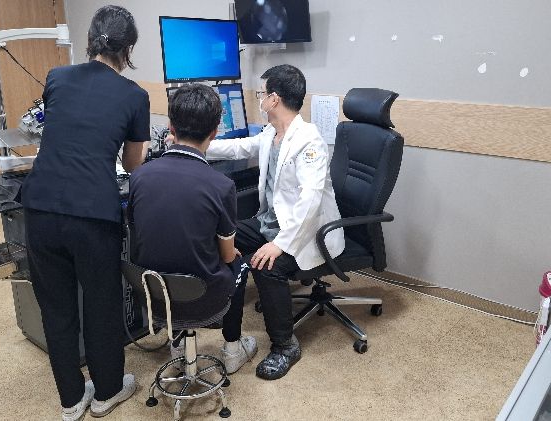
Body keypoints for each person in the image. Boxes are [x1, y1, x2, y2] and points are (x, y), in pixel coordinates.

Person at [21, 6, 147, 420]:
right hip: (93, 213)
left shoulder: (57, 77)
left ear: (91, 40)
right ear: (128, 49)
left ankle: (72, 400)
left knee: (56, 308)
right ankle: (107, 391)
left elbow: (56, 127)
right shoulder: (135, 95)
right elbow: (133, 165)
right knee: (100, 304)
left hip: (40, 207)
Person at [205, 64, 345, 380]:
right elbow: (239, 147)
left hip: (307, 232)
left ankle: (285, 346)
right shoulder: (272, 133)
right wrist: (195, 145)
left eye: (262, 92)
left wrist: (279, 244)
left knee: (266, 264)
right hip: (271, 221)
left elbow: (310, 202)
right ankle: (225, 321)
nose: (260, 98)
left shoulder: (309, 140)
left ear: (274, 99)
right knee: (223, 236)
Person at [128, 84, 257, 374]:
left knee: (166, 251)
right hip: (203, 300)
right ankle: (233, 350)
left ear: (171, 128)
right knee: (239, 263)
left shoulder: (139, 176)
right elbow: (227, 256)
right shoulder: (221, 186)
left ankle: (177, 346)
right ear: (215, 132)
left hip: (153, 295)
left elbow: (141, 233)